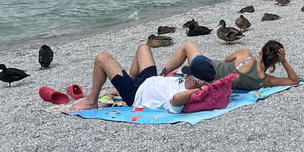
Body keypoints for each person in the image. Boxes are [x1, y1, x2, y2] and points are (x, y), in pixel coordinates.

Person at [68, 42, 215, 113]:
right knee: (143, 48)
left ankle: (91, 101)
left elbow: (176, 99)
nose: (185, 74)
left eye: (188, 74)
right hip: (149, 80)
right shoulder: (190, 83)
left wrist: (199, 90)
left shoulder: (183, 95)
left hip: (135, 93)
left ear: (194, 82)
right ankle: (125, 83)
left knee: (102, 58)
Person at [161, 40, 300, 91]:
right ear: (275, 62)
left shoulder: (245, 55)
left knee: (187, 46)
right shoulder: (265, 81)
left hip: (207, 67)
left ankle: (162, 74)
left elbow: (227, 59)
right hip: (211, 80)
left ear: (261, 52)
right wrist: (284, 61)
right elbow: (294, 80)